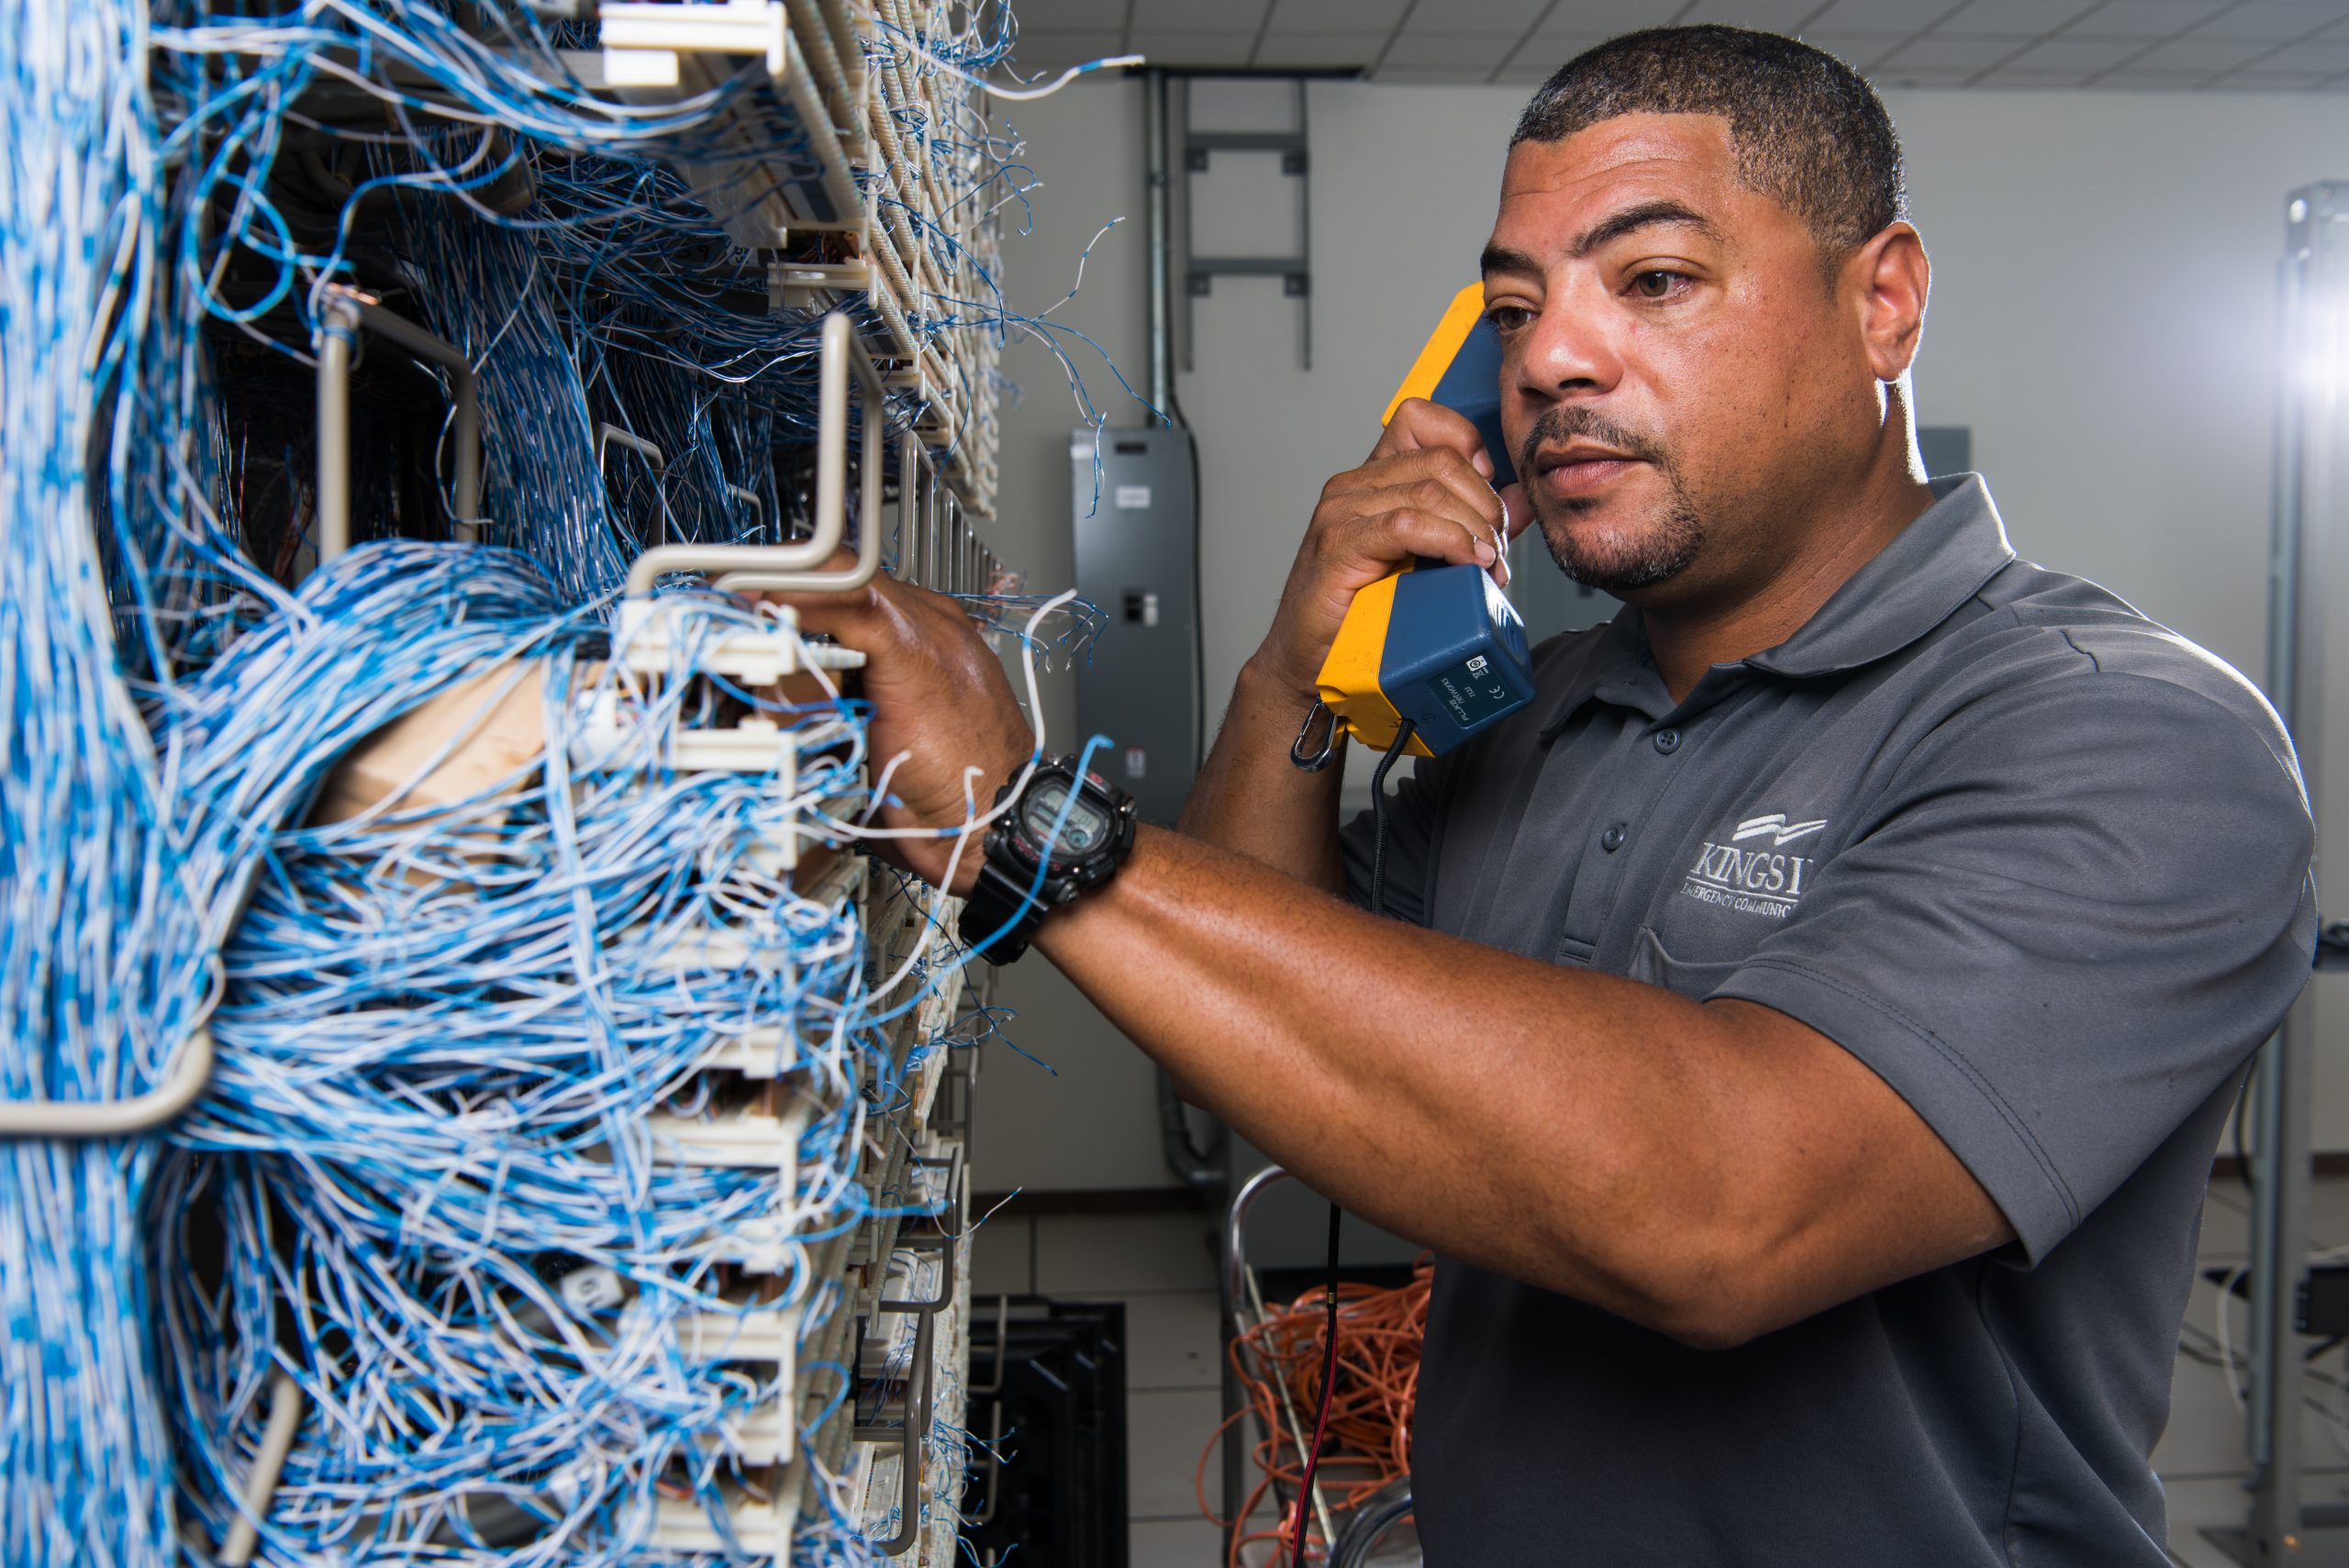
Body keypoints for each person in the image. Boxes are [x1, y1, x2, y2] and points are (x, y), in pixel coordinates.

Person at [786, 26, 2316, 1564]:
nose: (1550, 361)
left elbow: (1718, 1208)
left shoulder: (2125, 737)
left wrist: (1029, 825)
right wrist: (1296, 671)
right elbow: (1265, 1034)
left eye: (1651, 279)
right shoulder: (1540, 717)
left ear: (1885, 301)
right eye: (1512, 307)